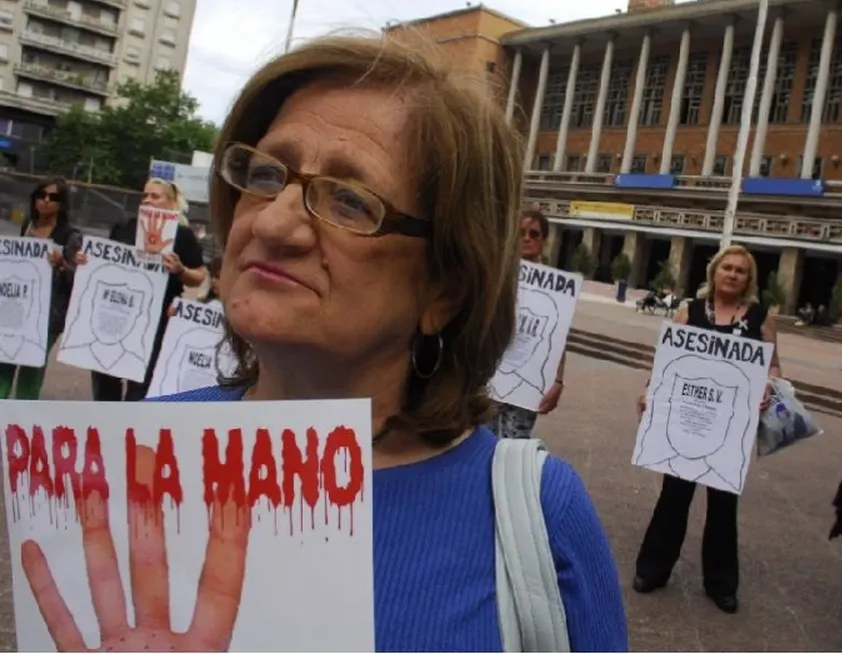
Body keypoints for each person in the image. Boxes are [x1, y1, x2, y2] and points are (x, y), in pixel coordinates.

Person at [37, 33, 627, 651]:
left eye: (349, 200)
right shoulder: (132, 455)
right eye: (264, 175)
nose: (272, 223)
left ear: (445, 289)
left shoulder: (541, 518)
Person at [632, 243, 782, 614]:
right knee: (673, 497)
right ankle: (653, 569)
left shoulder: (761, 317)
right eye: (726, 267)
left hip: (729, 427)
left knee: (723, 505)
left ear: (749, 279)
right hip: (686, 421)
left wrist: (767, 385)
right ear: (714, 272)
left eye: (740, 270)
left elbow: (774, 366)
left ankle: (721, 583)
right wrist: (650, 390)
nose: (732, 274)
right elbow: (667, 360)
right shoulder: (690, 311)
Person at [90, 178, 206, 401]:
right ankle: (105, 426)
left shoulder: (183, 235)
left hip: (158, 320)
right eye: (145, 196)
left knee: (142, 385)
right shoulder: (126, 228)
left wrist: (181, 270)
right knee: (106, 378)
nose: (148, 200)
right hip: (120, 314)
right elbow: (104, 264)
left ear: (171, 202)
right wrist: (87, 261)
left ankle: (130, 430)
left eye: (155, 196)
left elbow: (199, 277)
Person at [0, 177, 82, 399]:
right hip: (19, 309)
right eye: (41, 195)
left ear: (62, 204)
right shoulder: (28, 225)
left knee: (31, 370)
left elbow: (78, 276)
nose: (46, 201)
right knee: (4, 362)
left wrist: (61, 264)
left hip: (48, 316)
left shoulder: (70, 236)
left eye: (53, 197)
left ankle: (21, 425)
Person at [488, 209, 566, 439]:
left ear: (544, 241)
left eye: (534, 234)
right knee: (481, 446)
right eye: (522, 232)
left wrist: (558, 380)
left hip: (527, 382)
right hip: (491, 376)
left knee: (513, 447)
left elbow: (558, 335)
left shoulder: (556, 286)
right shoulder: (497, 274)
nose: (527, 238)